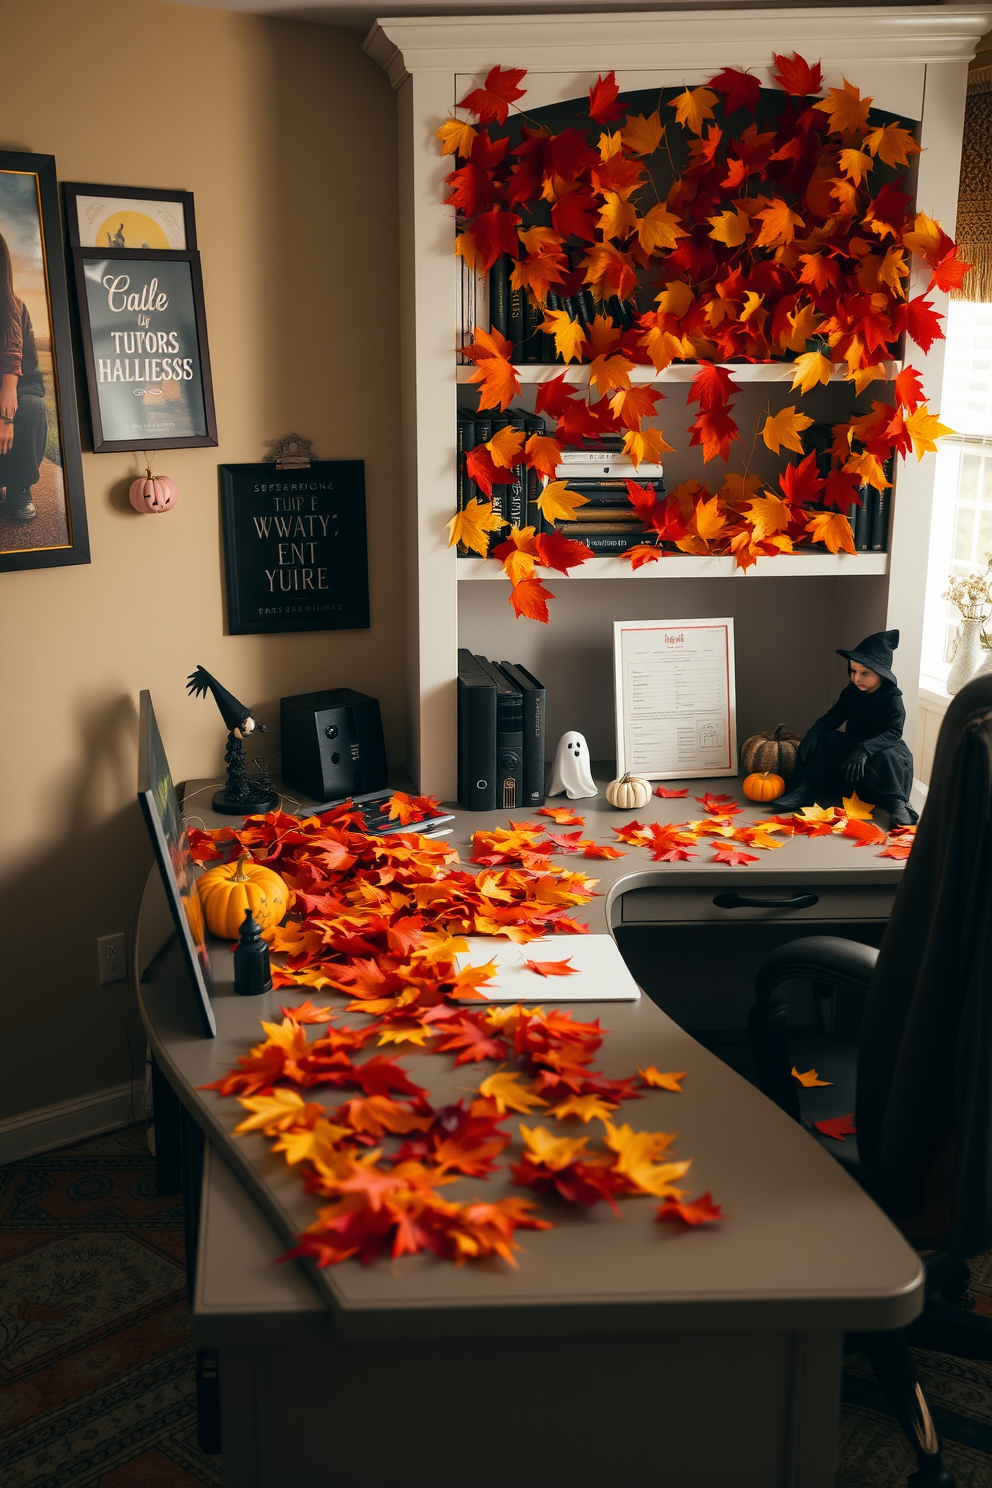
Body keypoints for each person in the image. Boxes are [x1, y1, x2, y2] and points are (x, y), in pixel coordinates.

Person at [771, 629, 918, 826]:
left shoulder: (892, 699)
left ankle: (896, 802)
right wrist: (814, 734)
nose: (856, 678)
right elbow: (833, 717)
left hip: (881, 748)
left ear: (881, 675)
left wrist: (864, 750)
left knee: (889, 756)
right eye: (853, 671)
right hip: (854, 746)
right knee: (828, 738)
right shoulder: (852, 692)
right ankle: (807, 787)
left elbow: (893, 732)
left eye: (864, 673)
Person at [0, 229, 49, 523]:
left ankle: (19, 488)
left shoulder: (17, 309)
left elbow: (28, 377)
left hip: (16, 390)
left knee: (32, 408)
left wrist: (5, 415)